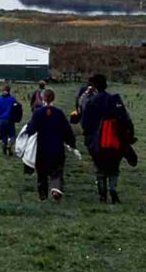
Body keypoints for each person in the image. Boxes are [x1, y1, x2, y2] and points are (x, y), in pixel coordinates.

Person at [80, 74, 137, 204]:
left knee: (100, 169)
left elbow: (85, 122)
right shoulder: (114, 99)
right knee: (114, 168)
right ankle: (113, 189)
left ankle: (102, 195)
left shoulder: (91, 102)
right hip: (115, 140)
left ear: (94, 86)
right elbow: (126, 119)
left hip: (97, 141)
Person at [24, 88, 76, 202]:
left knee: (42, 172)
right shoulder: (59, 113)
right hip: (57, 148)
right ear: (54, 98)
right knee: (57, 170)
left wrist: (27, 130)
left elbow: (31, 129)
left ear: (42, 98)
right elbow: (67, 130)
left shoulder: (38, 113)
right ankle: (56, 188)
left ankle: (42, 195)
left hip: (42, 148)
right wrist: (71, 143)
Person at [0, 85, 18, 156]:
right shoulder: (12, 99)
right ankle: (9, 146)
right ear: (9, 91)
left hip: (0, 121)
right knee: (13, 135)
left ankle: (4, 145)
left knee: (4, 135)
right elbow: (17, 108)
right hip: (9, 120)